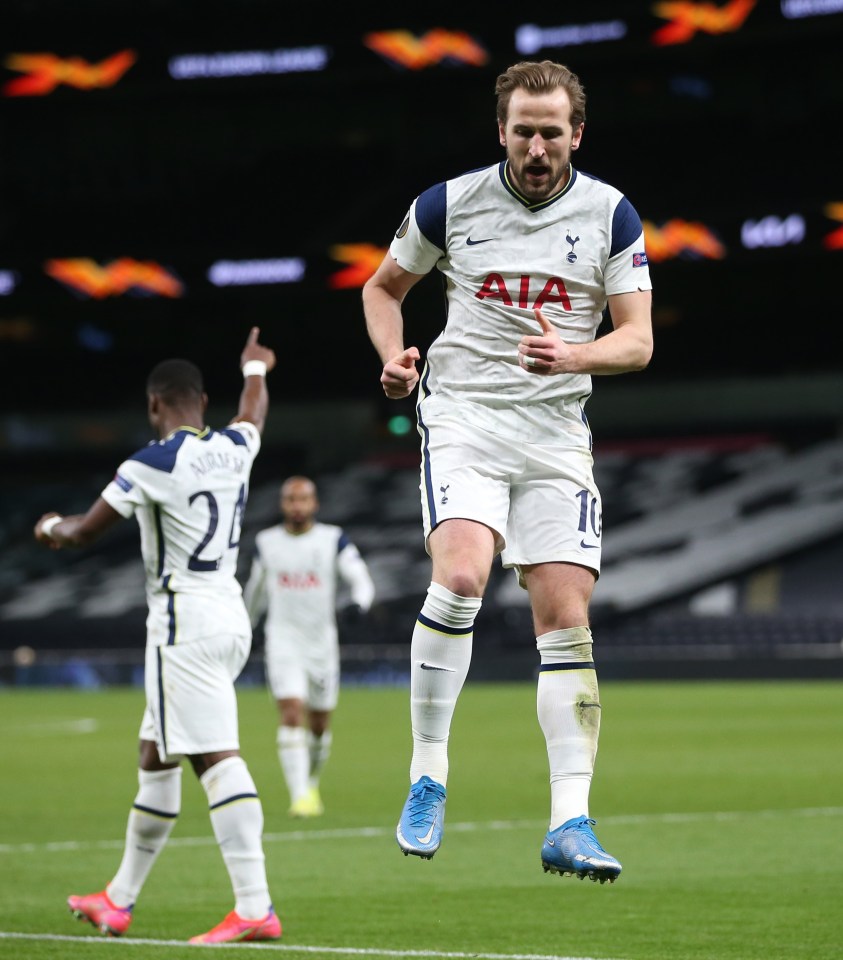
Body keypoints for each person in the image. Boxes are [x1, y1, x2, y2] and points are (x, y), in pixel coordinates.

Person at [361, 60, 653, 883]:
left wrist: (573, 354)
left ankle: (569, 821)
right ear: (500, 130)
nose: (535, 146)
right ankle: (427, 774)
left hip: (555, 434)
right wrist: (394, 358)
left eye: (550, 132)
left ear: (576, 134)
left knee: (565, 617)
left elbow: (636, 340)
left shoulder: (609, 215)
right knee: (460, 574)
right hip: (465, 418)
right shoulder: (447, 204)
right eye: (522, 130)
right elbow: (381, 291)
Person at [33, 328, 284, 943]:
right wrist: (255, 367)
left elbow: (85, 531)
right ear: (200, 399)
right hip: (228, 618)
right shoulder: (236, 445)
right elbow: (252, 412)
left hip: (184, 627)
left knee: (214, 756)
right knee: (156, 755)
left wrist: (49, 526)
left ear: (155, 405)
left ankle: (255, 908)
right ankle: (117, 900)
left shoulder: (149, 462)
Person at [243, 475, 376, 818]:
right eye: (291, 499)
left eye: (303, 499)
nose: (297, 506)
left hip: (321, 644)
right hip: (282, 640)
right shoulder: (266, 542)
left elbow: (361, 578)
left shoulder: (333, 539)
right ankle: (300, 795)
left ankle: (311, 780)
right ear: (282, 504)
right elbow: (254, 591)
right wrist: (247, 624)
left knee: (319, 722)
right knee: (290, 711)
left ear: (314, 503)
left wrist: (359, 604)